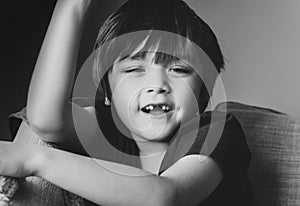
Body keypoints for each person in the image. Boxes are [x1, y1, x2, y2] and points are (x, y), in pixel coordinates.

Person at [0, 0, 254, 205]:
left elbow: (165, 196)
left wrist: (35, 159)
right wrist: (73, 5)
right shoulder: (112, 130)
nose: (157, 84)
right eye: (134, 70)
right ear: (107, 92)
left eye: (178, 69)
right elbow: (46, 120)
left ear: (203, 92)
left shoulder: (216, 132)